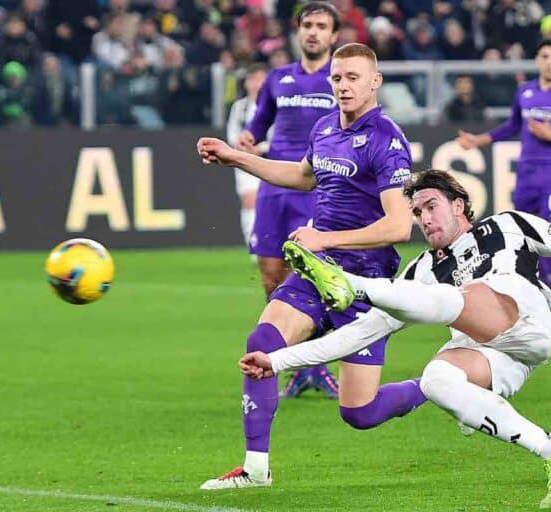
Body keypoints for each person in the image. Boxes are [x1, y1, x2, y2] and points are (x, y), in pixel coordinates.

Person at [241, 170, 551, 508]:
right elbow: (359, 334)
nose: (425, 219)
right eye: (417, 213)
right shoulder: (422, 269)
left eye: (431, 206)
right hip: (499, 358)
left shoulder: (508, 225)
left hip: (524, 319)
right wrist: (277, 361)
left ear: (459, 205)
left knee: (458, 298)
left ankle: (352, 284)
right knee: (436, 380)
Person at [196, 42, 424, 490]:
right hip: (319, 271)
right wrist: (236, 157)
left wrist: (324, 237)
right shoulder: (324, 128)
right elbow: (303, 176)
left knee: (360, 412)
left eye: (353, 77)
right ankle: (255, 469)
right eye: (337, 78)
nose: (343, 86)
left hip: (365, 283)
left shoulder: (387, 140)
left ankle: (433, 385)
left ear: (375, 82)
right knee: (263, 342)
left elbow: (399, 226)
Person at [237, 1, 341, 398]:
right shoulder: (277, 78)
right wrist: (249, 138)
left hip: (316, 188)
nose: (313, 32)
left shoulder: (339, 80)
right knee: (271, 275)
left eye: (321, 26)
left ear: (333, 35)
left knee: (312, 277)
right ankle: (294, 363)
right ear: (298, 31)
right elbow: (259, 123)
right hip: (273, 187)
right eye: (308, 25)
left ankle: (315, 365)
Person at [457, 39, 551, 326]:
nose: (549, 62)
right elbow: (512, 125)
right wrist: (479, 140)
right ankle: (530, 297)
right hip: (526, 176)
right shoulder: (525, 91)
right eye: (545, 56)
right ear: (537, 60)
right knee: (522, 237)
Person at [225, 64, 268, 249]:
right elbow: (232, 134)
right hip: (245, 161)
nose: (256, 84)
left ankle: (270, 245)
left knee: (269, 204)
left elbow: (280, 134)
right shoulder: (239, 107)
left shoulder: (276, 105)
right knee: (249, 202)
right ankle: (253, 245)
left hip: (271, 161)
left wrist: (262, 148)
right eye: (253, 79)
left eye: (260, 79)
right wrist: (243, 148)